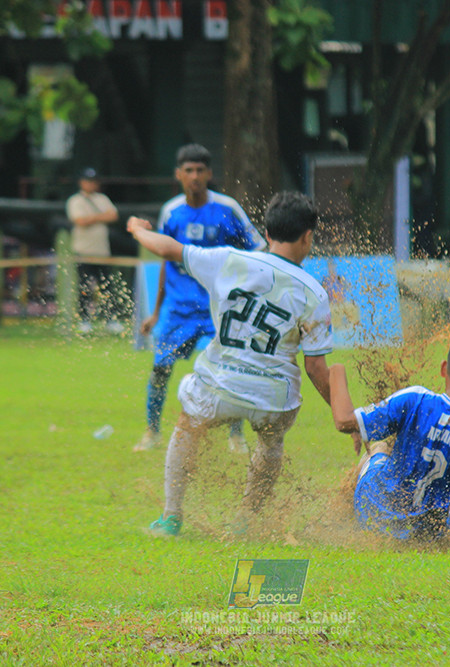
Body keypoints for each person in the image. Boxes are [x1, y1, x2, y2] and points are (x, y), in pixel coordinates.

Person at [126, 191, 333, 537]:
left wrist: (136, 228)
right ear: (308, 237)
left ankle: (171, 518)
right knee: (270, 444)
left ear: (267, 233)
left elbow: (166, 249)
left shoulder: (227, 259)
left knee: (188, 424)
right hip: (273, 400)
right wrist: (344, 416)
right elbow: (316, 369)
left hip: (219, 387)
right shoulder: (315, 293)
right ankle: (244, 522)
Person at [134, 144, 266, 454]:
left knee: (229, 369)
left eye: (200, 171)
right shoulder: (171, 211)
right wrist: (155, 313)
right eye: (188, 171)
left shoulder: (227, 208)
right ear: (178, 175)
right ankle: (151, 432)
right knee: (159, 369)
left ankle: (236, 435)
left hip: (219, 310)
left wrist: (246, 296)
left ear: (209, 174)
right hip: (179, 310)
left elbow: (258, 250)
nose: (194, 177)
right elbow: (167, 260)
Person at [328, 334, 450, 549]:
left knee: (379, 447)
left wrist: (336, 372)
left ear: (444, 369)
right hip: (426, 533)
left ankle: (346, 511)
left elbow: (343, 421)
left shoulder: (415, 399)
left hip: (373, 513)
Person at [65, 167, 124, 334]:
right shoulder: (75, 200)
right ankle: (84, 320)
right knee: (84, 287)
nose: (91, 184)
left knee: (107, 287)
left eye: (94, 181)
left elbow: (113, 215)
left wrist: (92, 218)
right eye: (88, 181)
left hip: (102, 252)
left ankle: (110, 319)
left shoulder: (102, 198)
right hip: (83, 251)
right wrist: (100, 217)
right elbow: (80, 220)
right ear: (81, 182)